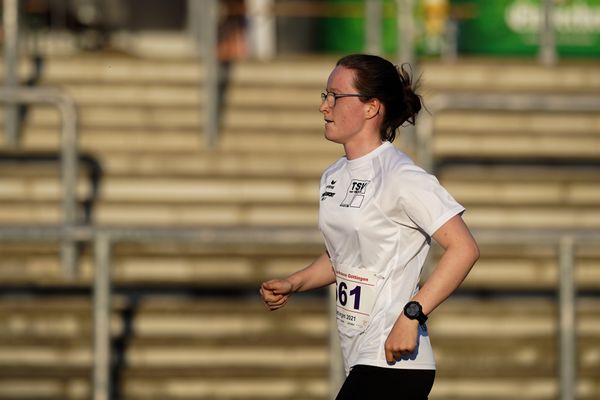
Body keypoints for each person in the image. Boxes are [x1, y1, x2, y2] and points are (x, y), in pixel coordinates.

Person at [259, 54, 479, 399]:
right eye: (324, 96)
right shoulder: (332, 176)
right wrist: (294, 282)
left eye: (335, 96)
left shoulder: (401, 176)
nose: (324, 107)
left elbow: (464, 248)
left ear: (371, 107)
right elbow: (343, 258)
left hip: (396, 359)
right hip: (360, 357)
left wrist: (412, 315)